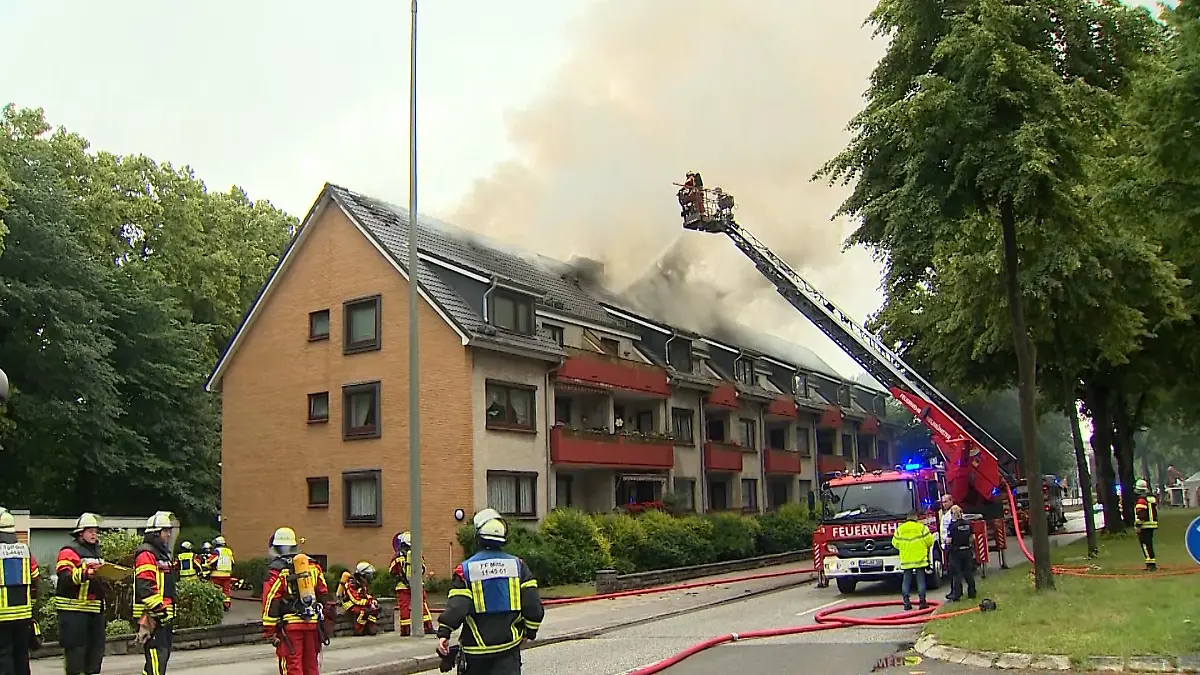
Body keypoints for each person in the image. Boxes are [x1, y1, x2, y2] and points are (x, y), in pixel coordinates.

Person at [437, 509, 544, 675]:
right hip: (509, 649)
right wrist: (530, 632)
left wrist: (444, 633)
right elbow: (533, 605)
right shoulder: (519, 566)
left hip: (476, 652)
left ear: (478, 538)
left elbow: (457, 607)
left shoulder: (465, 570)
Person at [261, 527, 331, 675]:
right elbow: (323, 592)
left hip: (290, 626)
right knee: (311, 666)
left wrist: (269, 630)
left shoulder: (277, 570)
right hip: (312, 624)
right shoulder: (312, 565)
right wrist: (326, 621)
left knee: (293, 666)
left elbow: (271, 599)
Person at [55, 513, 107, 675]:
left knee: (95, 655)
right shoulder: (69, 552)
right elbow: (65, 576)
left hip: (94, 612)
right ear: (80, 533)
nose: (94, 534)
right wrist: (86, 574)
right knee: (76, 656)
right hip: (74, 613)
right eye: (90, 531)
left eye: (96, 531)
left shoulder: (97, 553)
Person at [133, 512, 178, 675]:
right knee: (156, 660)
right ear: (155, 533)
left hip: (162, 615)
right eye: (165, 531)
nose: (168, 534)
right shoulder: (147, 554)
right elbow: (145, 587)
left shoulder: (162, 554)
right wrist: (159, 610)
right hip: (153, 615)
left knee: (160, 659)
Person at [0, 507, 39, 675]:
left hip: (1, 616)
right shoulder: (24, 550)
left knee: (4, 656)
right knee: (22, 656)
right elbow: (35, 576)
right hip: (23, 615)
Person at [388, 531, 433, 636]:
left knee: (404, 608)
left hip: (402, 587)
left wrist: (401, 578)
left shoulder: (398, 556)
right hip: (417, 585)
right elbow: (423, 568)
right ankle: (428, 626)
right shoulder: (417, 553)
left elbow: (392, 571)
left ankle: (405, 630)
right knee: (422, 605)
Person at [891, 509, 935, 611]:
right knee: (920, 581)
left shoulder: (900, 529)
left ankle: (906, 603)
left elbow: (895, 543)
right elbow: (930, 541)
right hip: (920, 559)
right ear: (916, 517)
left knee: (906, 581)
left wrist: (904, 548)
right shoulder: (922, 528)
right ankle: (922, 602)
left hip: (906, 560)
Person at [337, 563, 380, 636]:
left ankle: (370, 628)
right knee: (364, 611)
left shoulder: (362, 582)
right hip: (348, 603)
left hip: (358, 602)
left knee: (375, 609)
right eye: (368, 575)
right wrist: (369, 603)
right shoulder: (351, 583)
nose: (370, 577)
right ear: (362, 575)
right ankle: (358, 629)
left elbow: (365, 595)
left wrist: (372, 601)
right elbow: (355, 599)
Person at [945, 506, 977, 602]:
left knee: (956, 574)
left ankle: (957, 594)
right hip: (967, 550)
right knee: (968, 572)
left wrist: (946, 542)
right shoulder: (968, 524)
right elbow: (973, 538)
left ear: (952, 514)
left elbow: (949, 540)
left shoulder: (952, 526)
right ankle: (972, 592)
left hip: (956, 552)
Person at [1134, 479, 1158, 571]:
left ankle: (1150, 564)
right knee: (1149, 544)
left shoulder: (1141, 500)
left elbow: (1141, 514)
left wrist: (1138, 525)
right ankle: (1151, 562)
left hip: (1145, 525)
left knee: (1145, 545)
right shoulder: (1151, 498)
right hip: (1152, 524)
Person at [209, 537, 235, 611]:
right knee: (226, 590)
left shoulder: (217, 551)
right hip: (227, 575)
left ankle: (215, 605)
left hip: (216, 574)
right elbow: (233, 562)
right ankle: (226, 605)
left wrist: (207, 565)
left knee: (215, 590)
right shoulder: (229, 551)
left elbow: (212, 561)